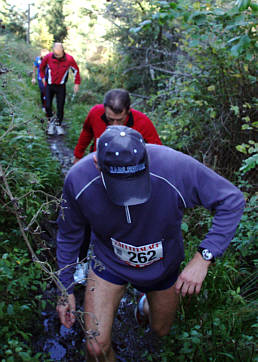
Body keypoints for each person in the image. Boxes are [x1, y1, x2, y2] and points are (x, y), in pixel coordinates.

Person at [56, 126, 245, 361]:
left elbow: (231, 200)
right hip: (109, 263)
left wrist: (204, 256)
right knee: (95, 348)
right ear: (97, 163)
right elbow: (68, 235)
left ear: (146, 157)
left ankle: (144, 304)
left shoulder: (174, 166)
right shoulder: (78, 180)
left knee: (160, 330)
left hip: (162, 267)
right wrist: (65, 290)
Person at [73, 88, 162, 164]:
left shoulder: (143, 123)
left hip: (129, 169)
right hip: (98, 163)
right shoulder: (95, 113)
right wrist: (78, 156)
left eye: (120, 120)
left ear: (128, 111)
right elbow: (87, 132)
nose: (114, 125)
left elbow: (158, 151)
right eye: (110, 119)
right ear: (104, 109)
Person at [39, 43, 81, 136]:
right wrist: (42, 77)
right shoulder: (48, 57)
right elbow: (41, 67)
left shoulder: (69, 59)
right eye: (55, 54)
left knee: (60, 106)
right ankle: (50, 121)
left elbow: (76, 70)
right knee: (48, 105)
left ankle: (58, 124)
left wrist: (77, 83)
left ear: (62, 50)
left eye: (58, 54)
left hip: (61, 86)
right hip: (49, 85)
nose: (56, 56)